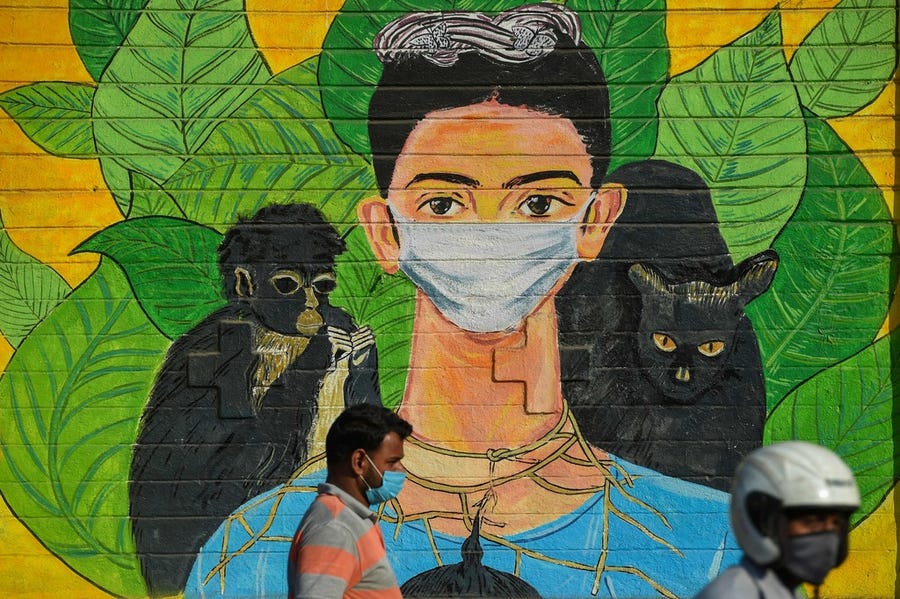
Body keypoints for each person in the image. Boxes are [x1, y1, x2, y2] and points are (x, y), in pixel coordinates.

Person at [185, 5, 741, 598]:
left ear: (596, 220)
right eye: (445, 204)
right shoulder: (259, 547)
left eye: (538, 204)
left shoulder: (711, 543)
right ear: (385, 232)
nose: (490, 238)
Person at [695, 441, 860, 599]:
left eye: (836, 523)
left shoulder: (783, 592)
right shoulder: (733, 595)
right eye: (810, 521)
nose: (828, 537)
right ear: (762, 521)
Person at [287, 403, 412, 599]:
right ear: (359, 462)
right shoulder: (335, 529)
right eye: (391, 462)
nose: (401, 471)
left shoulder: (351, 519)